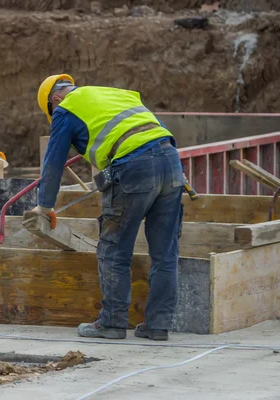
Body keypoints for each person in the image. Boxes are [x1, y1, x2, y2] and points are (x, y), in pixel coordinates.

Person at [30, 74, 185, 341]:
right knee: (165, 252)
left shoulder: (65, 108)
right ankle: (158, 325)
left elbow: (53, 163)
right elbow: (159, 132)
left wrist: (45, 206)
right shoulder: (119, 94)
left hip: (133, 169)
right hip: (171, 163)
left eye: (52, 112)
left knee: (114, 250)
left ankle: (112, 323)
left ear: (55, 99)